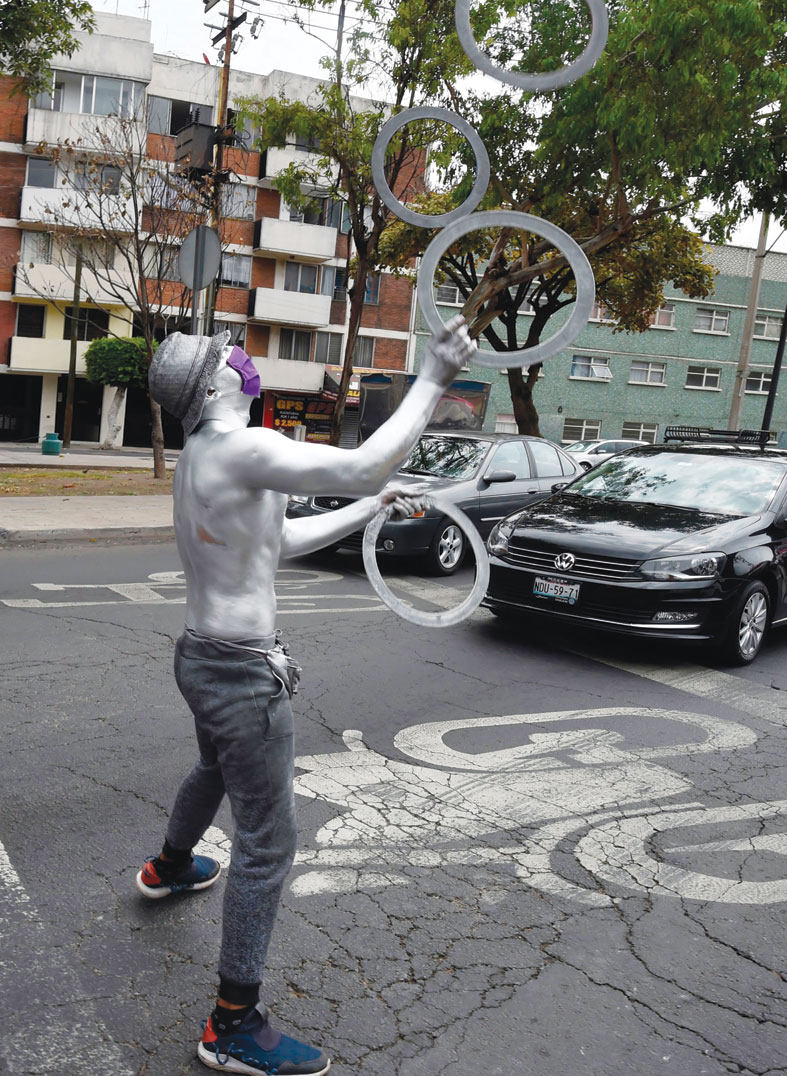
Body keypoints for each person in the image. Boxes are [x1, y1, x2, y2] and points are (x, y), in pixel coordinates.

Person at [139, 317, 474, 1074]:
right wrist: (433, 375)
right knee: (266, 843)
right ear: (216, 383)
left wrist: (372, 508)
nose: (246, 360)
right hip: (239, 673)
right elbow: (358, 463)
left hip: (199, 656)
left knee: (215, 770)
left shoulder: (204, 456)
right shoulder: (243, 446)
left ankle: (168, 866)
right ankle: (232, 1023)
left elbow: (279, 544)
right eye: (234, 354)